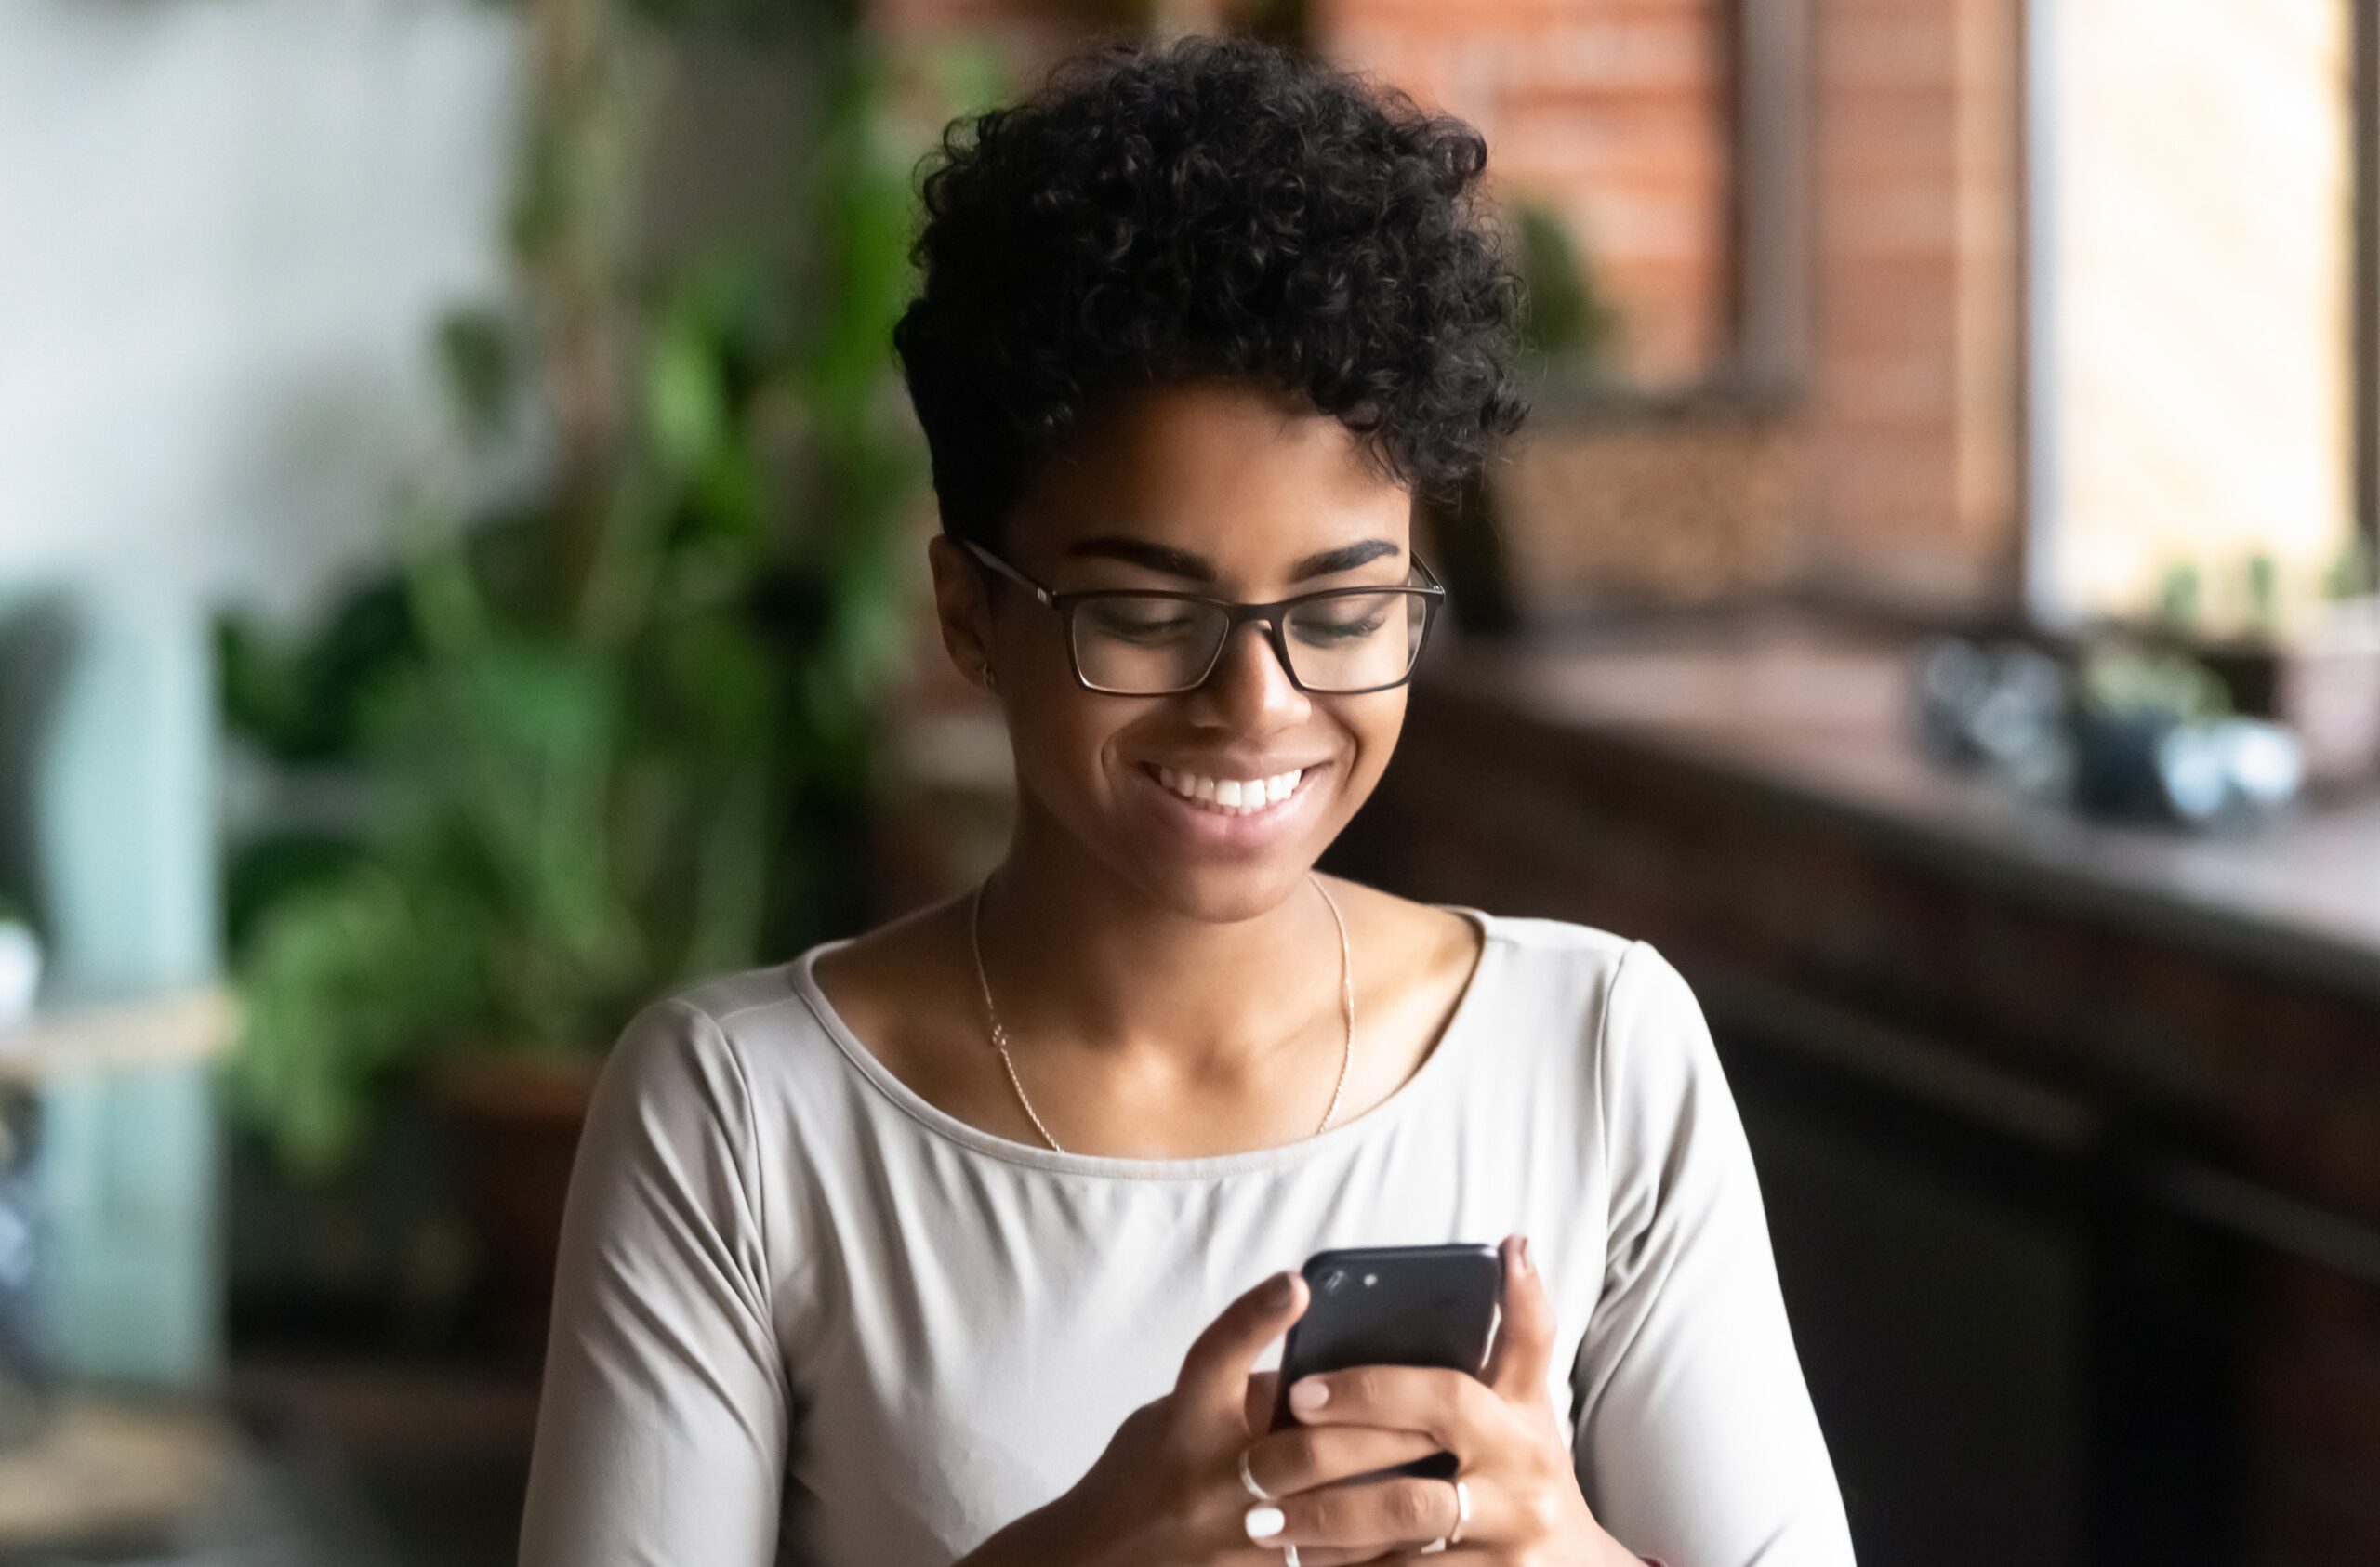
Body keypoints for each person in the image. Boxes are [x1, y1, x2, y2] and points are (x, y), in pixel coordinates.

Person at [517, 32, 1856, 1567]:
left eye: (1344, 609)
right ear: (969, 610)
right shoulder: (741, 1121)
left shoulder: (1601, 1052)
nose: (1260, 701)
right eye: (1145, 612)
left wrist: (1563, 1549)